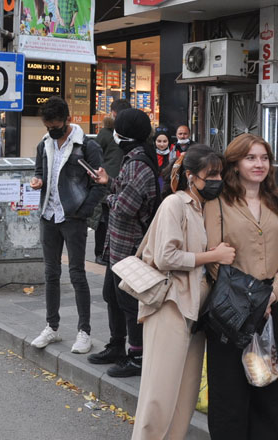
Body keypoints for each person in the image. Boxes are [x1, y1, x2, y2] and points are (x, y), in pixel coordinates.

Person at [131, 145, 235, 440]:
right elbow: (166, 257)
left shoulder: (203, 207)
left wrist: (209, 253)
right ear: (191, 176)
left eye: (220, 174)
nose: (217, 180)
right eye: (210, 174)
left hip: (196, 309)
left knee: (185, 396)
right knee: (159, 394)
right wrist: (212, 256)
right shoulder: (174, 204)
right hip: (170, 306)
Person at [203, 133, 278, 439]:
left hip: (273, 307)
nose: (259, 164)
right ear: (235, 163)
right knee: (229, 393)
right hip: (232, 308)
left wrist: (270, 295)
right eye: (250, 158)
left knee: (268, 389)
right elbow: (213, 259)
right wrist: (252, 298)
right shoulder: (217, 203)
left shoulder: (277, 202)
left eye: (264, 158)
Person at [88, 108, 160, 377]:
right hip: (117, 244)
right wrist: (110, 182)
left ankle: (137, 355)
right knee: (112, 296)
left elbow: (126, 207)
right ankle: (116, 345)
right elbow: (127, 191)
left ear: (126, 134)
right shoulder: (133, 160)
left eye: (118, 129)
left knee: (130, 303)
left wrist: (108, 197)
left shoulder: (138, 164)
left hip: (130, 247)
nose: (114, 134)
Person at [30, 96, 104, 354]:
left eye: (56, 125)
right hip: (48, 216)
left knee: (77, 274)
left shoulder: (86, 147)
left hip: (73, 218)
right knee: (51, 273)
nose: (52, 130)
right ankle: (52, 326)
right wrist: (37, 180)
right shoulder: (44, 144)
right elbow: (39, 171)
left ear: (68, 119)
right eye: (48, 126)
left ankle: (84, 332)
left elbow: (99, 184)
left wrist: (82, 212)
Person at [92, 99, 131, 265]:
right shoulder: (106, 133)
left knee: (118, 220)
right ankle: (100, 253)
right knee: (104, 220)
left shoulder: (132, 134)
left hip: (126, 183)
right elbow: (95, 156)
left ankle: (114, 254)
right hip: (107, 183)